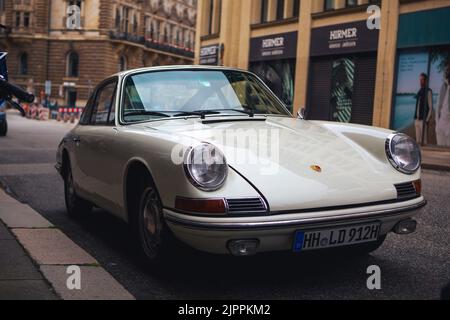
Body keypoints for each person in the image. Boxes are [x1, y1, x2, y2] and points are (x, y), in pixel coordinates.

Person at [414, 73, 433, 144]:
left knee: (424, 142)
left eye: (422, 80)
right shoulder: (420, 91)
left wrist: (427, 120)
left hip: (423, 120)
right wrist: (415, 119)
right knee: (417, 142)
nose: (420, 82)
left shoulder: (428, 91)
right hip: (417, 119)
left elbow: (431, 107)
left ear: (426, 81)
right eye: (420, 80)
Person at [436, 64, 450, 147]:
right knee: (440, 150)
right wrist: (437, 124)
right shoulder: (444, 86)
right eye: (447, 71)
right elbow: (438, 105)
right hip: (441, 125)